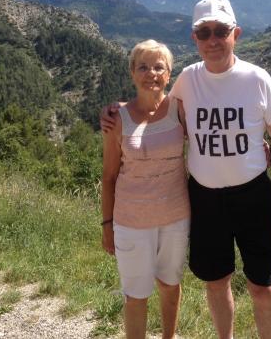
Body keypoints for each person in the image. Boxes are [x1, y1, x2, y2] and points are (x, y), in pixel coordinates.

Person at [102, 0, 271, 339]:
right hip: (205, 200)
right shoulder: (188, 80)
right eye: (204, 32)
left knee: (263, 287)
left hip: (254, 197)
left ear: (235, 33)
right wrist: (117, 108)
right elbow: (154, 102)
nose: (213, 39)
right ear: (194, 38)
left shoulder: (257, 78)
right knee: (215, 282)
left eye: (220, 30)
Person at [101, 39, 190, 339]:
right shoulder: (117, 119)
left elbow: (213, 135)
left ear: (169, 74)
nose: (151, 73)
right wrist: (106, 225)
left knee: (170, 283)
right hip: (131, 221)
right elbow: (110, 175)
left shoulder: (181, 110)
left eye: (158, 67)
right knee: (136, 294)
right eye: (143, 67)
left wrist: (259, 144)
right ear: (132, 73)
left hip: (176, 216)